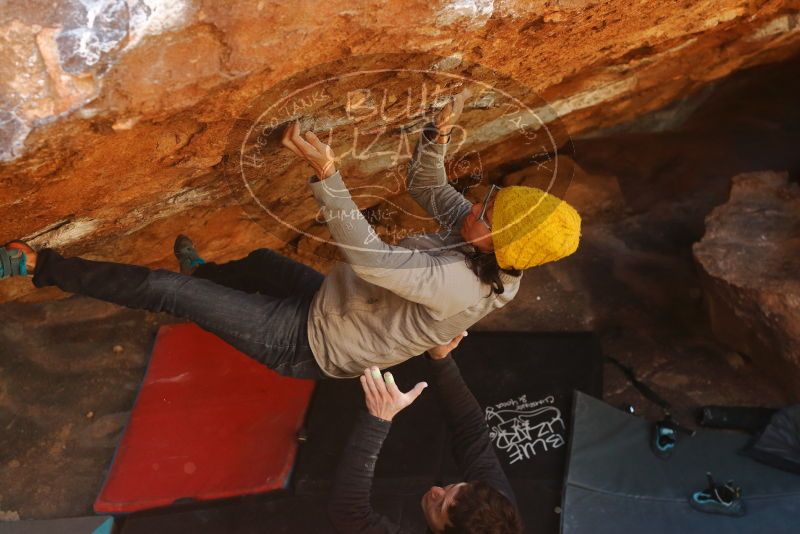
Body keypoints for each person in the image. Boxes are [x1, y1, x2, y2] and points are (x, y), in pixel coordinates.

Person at [0, 90, 580, 379]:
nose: (476, 206)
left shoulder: (461, 280)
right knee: (255, 261)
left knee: (166, 293)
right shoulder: (486, 247)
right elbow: (428, 187)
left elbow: (373, 260)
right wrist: (437, 135)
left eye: (487, 210)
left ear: (495, 243)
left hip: (308, 346)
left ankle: (37, 266)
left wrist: (329, 175)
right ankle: (202, 273)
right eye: (489, 199)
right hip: (336, 305)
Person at [328, 332, 523, 533]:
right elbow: (471, 430)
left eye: (439, 506)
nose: (435, 490)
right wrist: (441, 359)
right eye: (453, 487)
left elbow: (349, 514)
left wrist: (377, 420)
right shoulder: (497, 513)